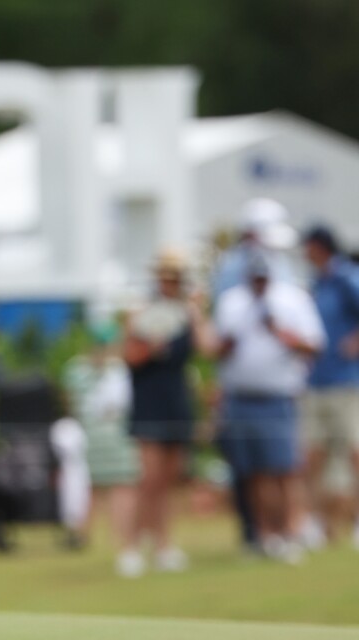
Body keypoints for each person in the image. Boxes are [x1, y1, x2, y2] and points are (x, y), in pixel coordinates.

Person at [211, 255, 324, 564]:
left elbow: (314, 345)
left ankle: (293, 532)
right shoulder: (231, 303)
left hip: (279, 396)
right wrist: (227, 344)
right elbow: (215, 350)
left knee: (285, 469)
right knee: (254, 472)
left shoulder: (292, 301)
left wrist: (280, 332)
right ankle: (266, 536)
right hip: (241, 397)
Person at [211, 199, 300, 551]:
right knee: (249, 468)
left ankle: (282, 532)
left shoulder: (282, 268)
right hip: (240, 391)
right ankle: (257, 533)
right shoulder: (232, 275)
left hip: (278, 389)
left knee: (281, 467)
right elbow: (224, 338)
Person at [119, 249, 209, 576]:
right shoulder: (140, 312)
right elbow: (128, 355)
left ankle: (163, 545)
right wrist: (150, 348)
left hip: (176, 401)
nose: (170, 282)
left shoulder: (186, 314)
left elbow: (206, 347)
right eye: (165, 276)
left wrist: (196, 313)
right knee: (149, 479)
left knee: (170, 480)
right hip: (148, 403)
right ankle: (131, 546)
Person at [296, 225, 359, 550]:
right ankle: (317, 524)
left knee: (354, 452)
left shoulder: (346, 277)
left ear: (319, 246)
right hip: (316, 382)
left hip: (347, 382)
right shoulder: (315, 283)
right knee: (313, 455)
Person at [61, 322, 139, 563]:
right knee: (85, 492)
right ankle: (80, 539)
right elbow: (71, 406)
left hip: (118, 442)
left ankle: (125, 546)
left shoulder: (120, 371)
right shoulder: (75, 370)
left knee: (122, 490)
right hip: (87, 443)